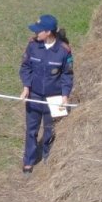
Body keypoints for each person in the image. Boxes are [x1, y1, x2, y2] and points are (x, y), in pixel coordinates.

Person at [19, 14, 73, 174]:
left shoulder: (63, 51)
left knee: (50, 129)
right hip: (34, 95)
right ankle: (28, 161)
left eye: (39, 31)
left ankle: (47, 155)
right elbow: (25, 67)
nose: (36, 33)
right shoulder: (33, 46)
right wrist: (26, 87)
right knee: (31, 130)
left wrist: (65, 95)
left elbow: (67, 75)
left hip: (54, 98)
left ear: (48, 32)